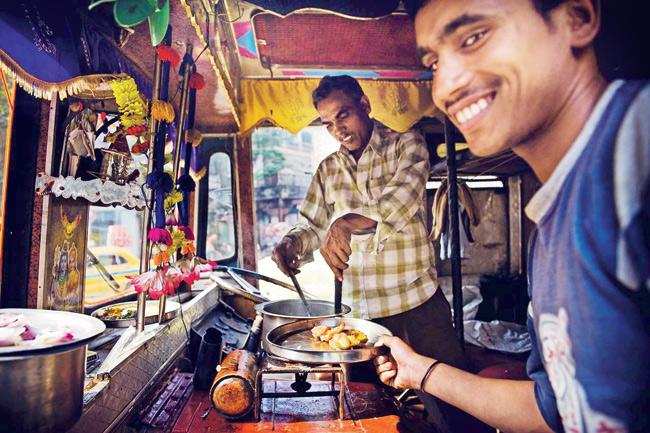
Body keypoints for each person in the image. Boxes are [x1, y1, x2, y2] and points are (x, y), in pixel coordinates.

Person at [374, 1, 649, 432]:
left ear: (576, 17)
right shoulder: (550, 229)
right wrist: (420, 372)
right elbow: (552, 409)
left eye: (474, 38)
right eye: (433, 62)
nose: (444, 86)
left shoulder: (638, 149)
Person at [272, 75, 465, 431]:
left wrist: (345, 222)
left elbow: (399, 203)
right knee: (365, 415)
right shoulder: (329, 169)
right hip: (361, 320)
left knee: (455, 413)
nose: (337, 129)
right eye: (328, 123)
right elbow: (312, 224)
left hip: (419, 307)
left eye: (343, 115)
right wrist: (291, 244)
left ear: (364, 105)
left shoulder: (406, 143)